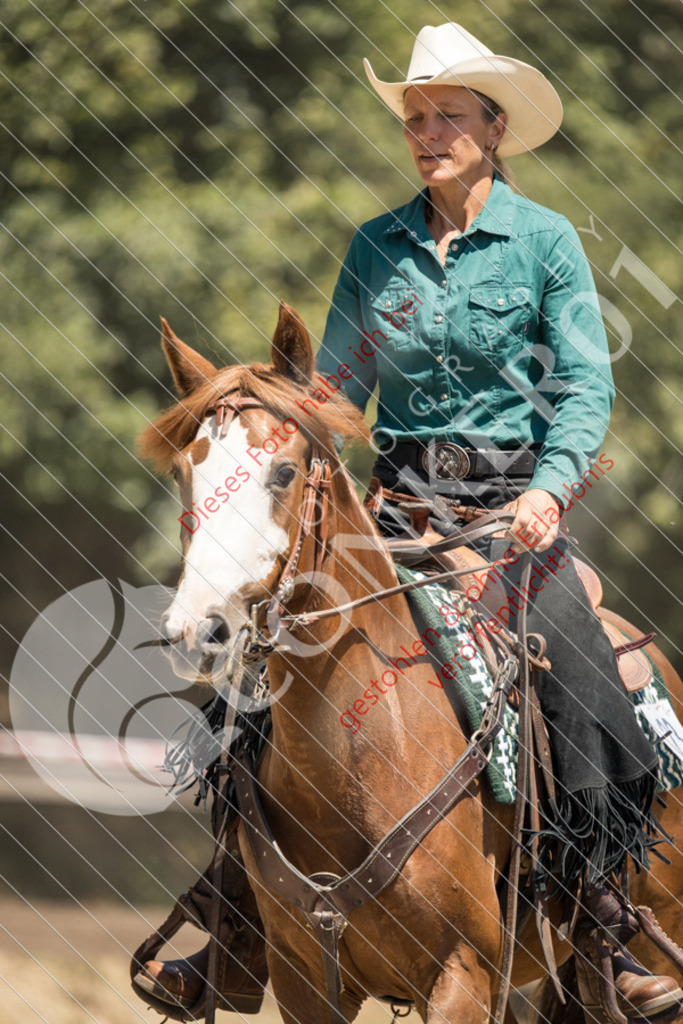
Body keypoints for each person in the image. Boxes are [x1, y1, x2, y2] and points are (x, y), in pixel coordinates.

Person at [134, 22, 682, 1022]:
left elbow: (585, 394)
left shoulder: (544, 243)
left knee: (585, 672)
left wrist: (546, 489)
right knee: (261, 674)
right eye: (414, 118)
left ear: (493, 128)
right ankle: (240, 919)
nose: (426, 132)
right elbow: (338, 386)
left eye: (446, 117)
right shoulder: (374, 247)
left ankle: (601, 923)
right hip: (388, 512)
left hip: (512, 514)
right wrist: (269, 413)